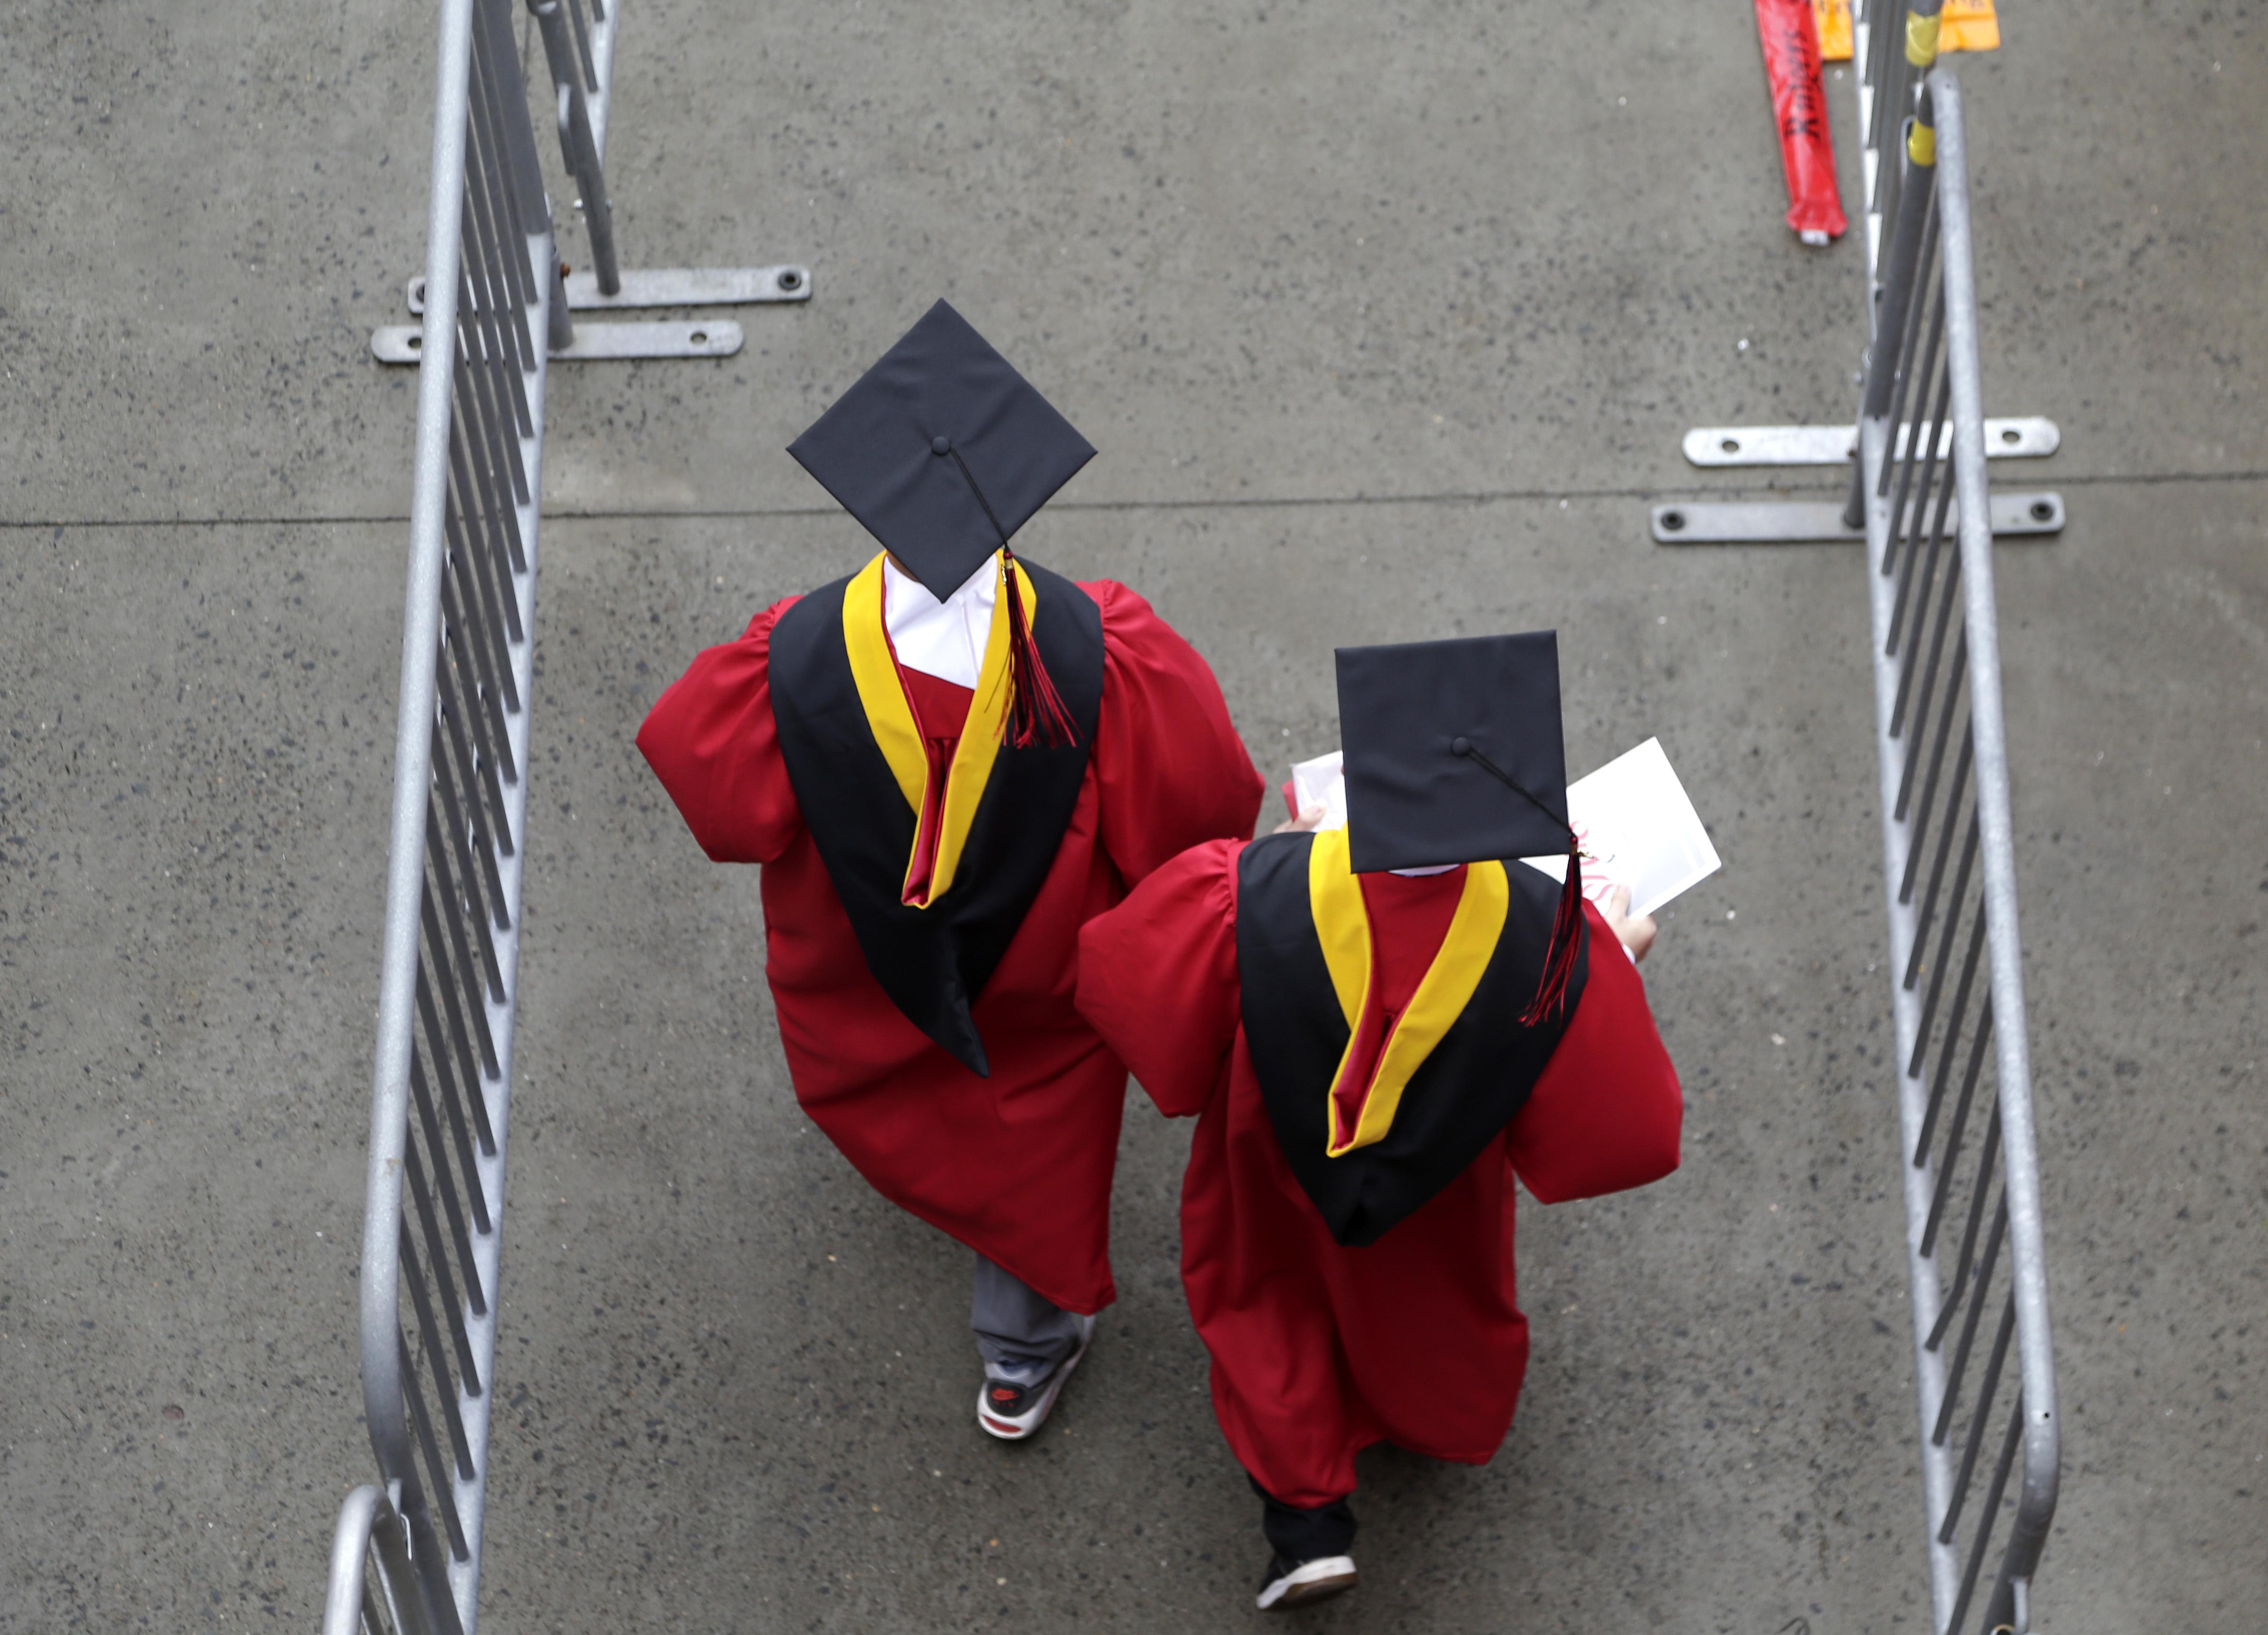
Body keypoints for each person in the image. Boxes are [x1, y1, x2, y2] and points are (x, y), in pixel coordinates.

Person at [636, 300, 1264, 1441]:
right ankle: (1022, 1356)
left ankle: (954, 1221)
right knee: (1034, 1159)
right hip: (1042, 994)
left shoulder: (787, 657)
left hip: (863, 982)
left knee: (915, 1105)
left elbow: (713, 797)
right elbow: (1205, 811)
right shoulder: (1105, 651)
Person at [1074, 630, 1683, 1609]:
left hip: (1261, 1163)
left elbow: (1117, 985)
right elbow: (1627, 1135)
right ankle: (1423, 1423)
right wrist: (1606, 971)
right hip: (1439, 1199)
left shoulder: (1247, 894)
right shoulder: (1554, 938)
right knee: (1426, 1310)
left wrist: (1276, 865)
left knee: (1265, 1307)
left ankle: (1306, 1529)